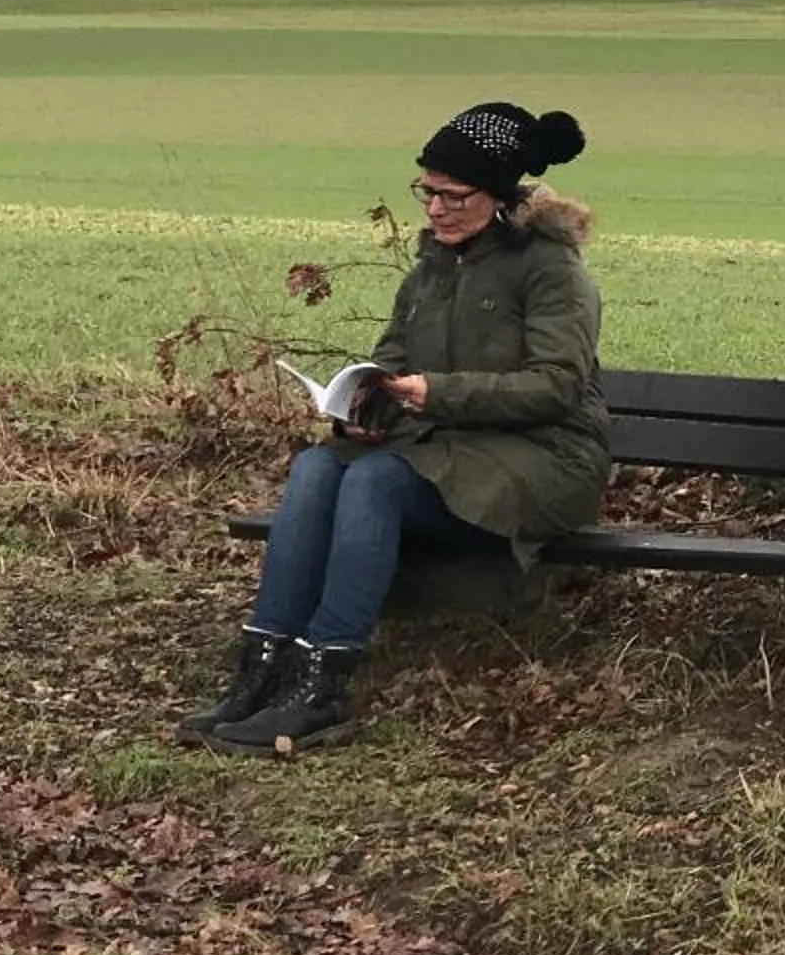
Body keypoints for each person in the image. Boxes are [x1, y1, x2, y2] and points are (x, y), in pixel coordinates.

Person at [179, 101, 611, 754]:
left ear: (496, 196)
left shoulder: (551, 271)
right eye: (427, 192)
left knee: (376, 482)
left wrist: (438, 394)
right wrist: (363, 407)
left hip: (543, 461)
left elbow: (557, 386)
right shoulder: (431, 268)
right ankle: (261, 672)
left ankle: (322, 686)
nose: (434, 209)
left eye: (451, 195)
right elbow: (392, 361)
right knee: (319, 466)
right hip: (451, 451)